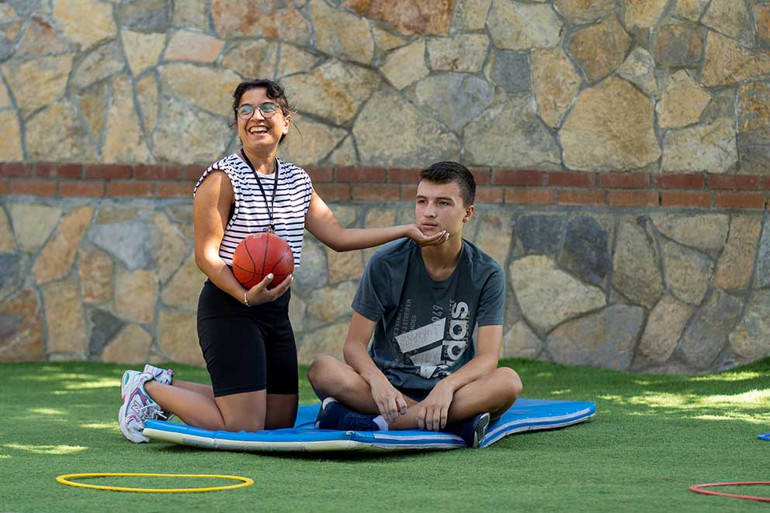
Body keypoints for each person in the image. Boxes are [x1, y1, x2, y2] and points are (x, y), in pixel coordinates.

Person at [118, 79, 449, 443]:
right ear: (237, 123)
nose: (256, 116)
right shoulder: (220, 178)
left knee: (276, 423)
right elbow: (206, 256)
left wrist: (406, 230)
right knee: (244, 427)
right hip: (230, 307)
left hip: (275, 311)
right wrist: (245, 296)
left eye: (267, 108)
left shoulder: (297, 180)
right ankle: (146, 388)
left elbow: (338, 237)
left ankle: (165, 383)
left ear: (286, 121)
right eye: (245, 110)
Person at [308, 161, 522, 448]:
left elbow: (487, 358)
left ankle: (372, 421)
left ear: (467, 213)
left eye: (443, 203)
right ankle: (454, 423)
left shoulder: (487, 272)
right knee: (323, 370)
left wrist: (446, 387)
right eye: (422, 202)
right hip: (387, 391)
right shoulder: (386, 262)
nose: (429, 212)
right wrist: (377, 382)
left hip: (452, 392)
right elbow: (353, 345)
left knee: (508, 382)